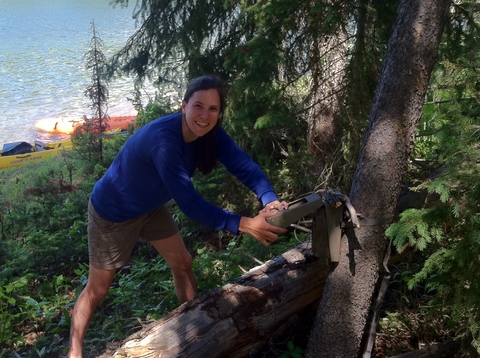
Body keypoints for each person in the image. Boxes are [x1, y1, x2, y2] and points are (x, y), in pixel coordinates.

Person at [67, 75, 288, 357]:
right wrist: (245, 224)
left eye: (213, 109)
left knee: (182, 262)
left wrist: (270, 200)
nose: (205, 116)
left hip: (150, 206)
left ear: (219, 113)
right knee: (98, 289)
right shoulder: (164, 140)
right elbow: (190, 204)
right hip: (114, 211)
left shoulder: (210, 134)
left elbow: (244, 166)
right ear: (183, 105)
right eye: (198, 106)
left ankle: (195, 328)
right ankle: (74, 351)